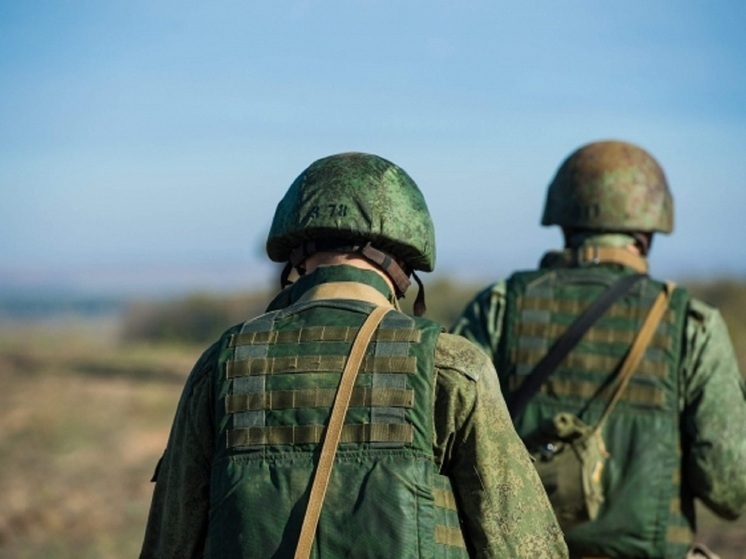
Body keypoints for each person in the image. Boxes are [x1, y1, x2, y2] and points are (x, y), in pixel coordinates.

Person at [139, 152, 568, 558]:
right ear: (405, 261)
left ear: (297, 255)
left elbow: (170, 543)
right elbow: (523, 544)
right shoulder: (449, 365)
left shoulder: (223, 362)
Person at [451, 140, 746, 559]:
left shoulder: (499, 305)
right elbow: (728, 489)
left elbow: (448, 447)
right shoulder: (690, 324)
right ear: (648, 232)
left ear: (564, 221)